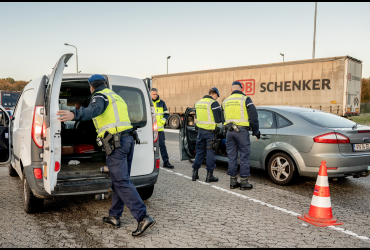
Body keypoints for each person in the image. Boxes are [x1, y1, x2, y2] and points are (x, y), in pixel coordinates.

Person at [56, 74, 155, 236]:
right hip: (128, 140)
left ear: (91, 87)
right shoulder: (116, 96)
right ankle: (114, 216)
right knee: (120, 180)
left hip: (117, 144)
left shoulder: (99, 96)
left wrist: (75, 114)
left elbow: (94, 110)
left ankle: (143, 217)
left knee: (121, 181)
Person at [222, 81, 260, 190]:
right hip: (242, 132)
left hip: (229, 132)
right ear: (242, 89)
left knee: (232, 156)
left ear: (231, 90)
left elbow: (222, 118)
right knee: (244, 155)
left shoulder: (225, 101)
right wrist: (256, 132)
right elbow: (254, 117)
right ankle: (244, 182)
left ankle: (233, 181)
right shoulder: (245, 99)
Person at [192, 87, 223, 182]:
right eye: (216, 97)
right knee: (210, 153)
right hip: (210, 132)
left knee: (199, 152)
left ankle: (194, 173)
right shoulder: (213, 103)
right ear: (215, 94)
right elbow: (219, 119)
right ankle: (209, 176)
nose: (216, 98)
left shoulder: (197, 103)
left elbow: (198, 116)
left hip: (200, 132)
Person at [151, 88, 174, 169]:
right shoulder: (147, 102)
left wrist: (160, 123)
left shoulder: (162, 103)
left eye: (156, 94)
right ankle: (150, 163)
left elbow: (166, 114)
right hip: (149, 130)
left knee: (162, 146)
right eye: (153, 94)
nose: (155, 96)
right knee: (150, 147)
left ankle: (166, 162)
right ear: (150, 94)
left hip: (159, 130)